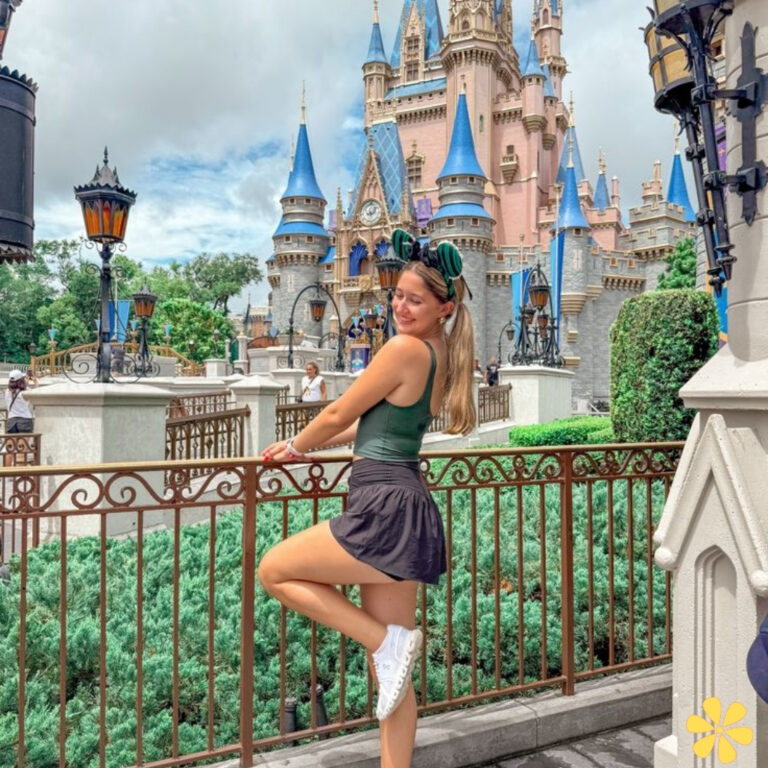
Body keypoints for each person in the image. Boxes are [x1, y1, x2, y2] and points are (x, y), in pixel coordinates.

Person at [259, 235, 475, 768]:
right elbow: (366, 424)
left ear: (443, 308)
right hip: (406, 501)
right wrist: (308, 450)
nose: (399, 307)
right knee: (391, 676)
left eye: (414, 300)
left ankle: (384, 640)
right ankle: (389, 659)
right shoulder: (440, 352)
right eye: (397, 295)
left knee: (275, 571)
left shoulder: (403, 349)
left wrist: (294, 445)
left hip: (384, 505)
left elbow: (335, 414)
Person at [4, 369, 36, 433]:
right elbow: (36, 396)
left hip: (11, 421)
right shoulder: (25, 391)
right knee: (23, 443)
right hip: (25, 420)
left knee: (11, 442)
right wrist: (35, 383)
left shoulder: (7, 391)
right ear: (21, 380)